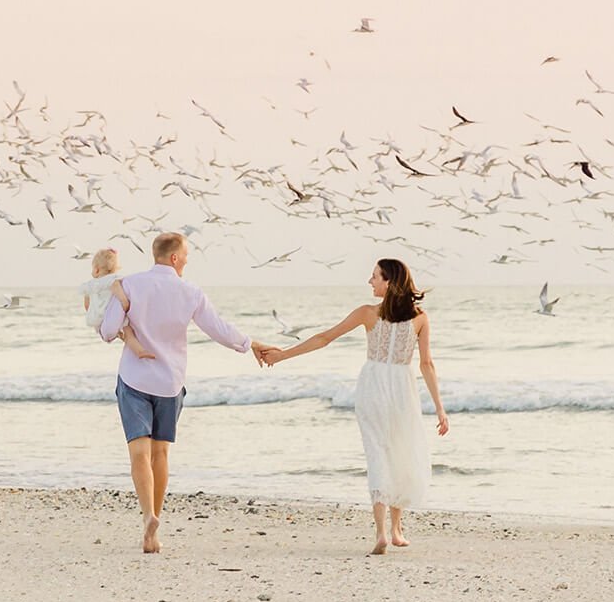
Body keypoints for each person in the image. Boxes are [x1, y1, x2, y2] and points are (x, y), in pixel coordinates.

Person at [97, 232, 275, 552]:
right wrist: (252, 345)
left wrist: (123, 308)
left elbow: (108, 331)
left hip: (134, 379)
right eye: (187, 255)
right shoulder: (190, 291)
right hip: (169, 383)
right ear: (175, 258)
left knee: (139, 452)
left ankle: (147, 517)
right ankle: (155, 528)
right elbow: (218, 329)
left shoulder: (129, 285)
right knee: (160, 454)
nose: (188, 260)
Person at [261, 258, 448, 554]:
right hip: (402, 386)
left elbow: (325, 338)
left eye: (374, 276)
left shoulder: (367, 313)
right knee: (400, 450)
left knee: (377, 453)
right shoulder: (420, 318)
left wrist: (284, 355)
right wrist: (440, 408)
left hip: (372, 384)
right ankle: (397, 530)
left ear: (389, 282)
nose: (369, 281)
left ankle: (382, 532)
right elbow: (426, 365)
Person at [81, 248, 153, 361]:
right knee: (128, 332)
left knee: (112, 333)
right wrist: (125, 303)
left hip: (97, 318)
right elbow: (118, 291)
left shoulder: (89, 285)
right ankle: (140, 351)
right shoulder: (115, 280)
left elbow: (87, 305)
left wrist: (93, 314)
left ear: (96, 270)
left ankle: (118, 335)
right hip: (111, 314)